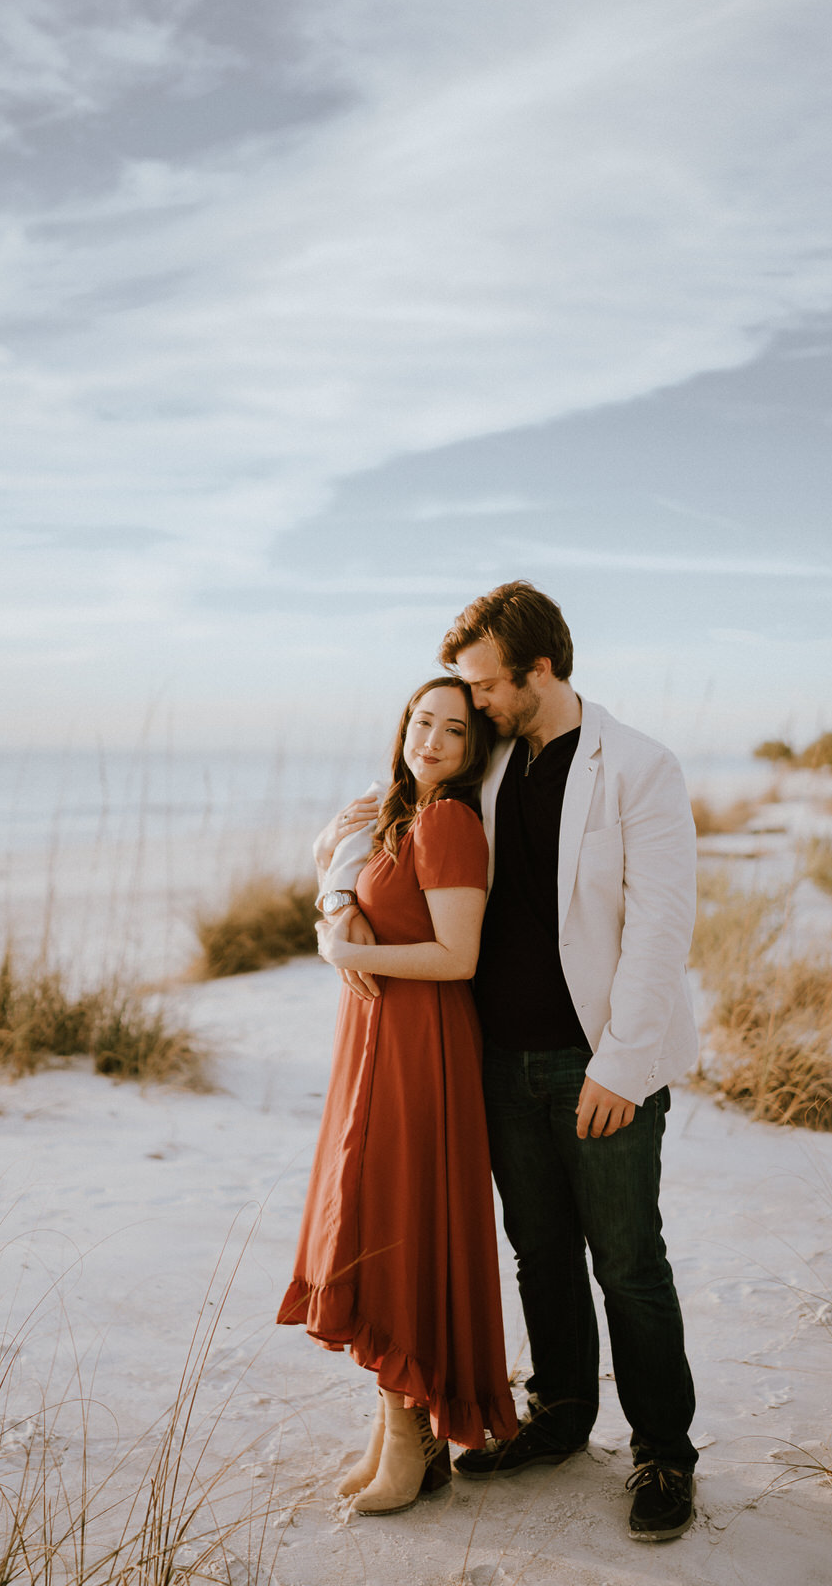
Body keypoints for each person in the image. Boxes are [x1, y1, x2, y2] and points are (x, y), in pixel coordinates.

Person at [321, 582, 699, 1542]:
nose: (474, 700)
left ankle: (662, 1452)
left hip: (597, 1058)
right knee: (538, 1253)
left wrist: (620, 1067)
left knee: (627, 1258)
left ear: (538, 672)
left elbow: (661, 929)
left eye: (486, 684)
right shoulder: (482, 767)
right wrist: (335, 900)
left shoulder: (638, 767)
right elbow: (364, 826)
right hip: (494, 1057)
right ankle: (560, 1417)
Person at [277, 676, 517, 1518]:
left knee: (394, 1222)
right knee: (375, 1213)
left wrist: (351, 953)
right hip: (375, 1041)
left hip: (420, 1044)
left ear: (472, 748)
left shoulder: (449, 820)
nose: (433, 740)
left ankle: (411, 1439)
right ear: (403, 727)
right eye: (422, 722)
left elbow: (457, 956)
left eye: (454, 730)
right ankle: (396, 1428)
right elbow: (337, 882)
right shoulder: (390, 809)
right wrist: (333, 907)